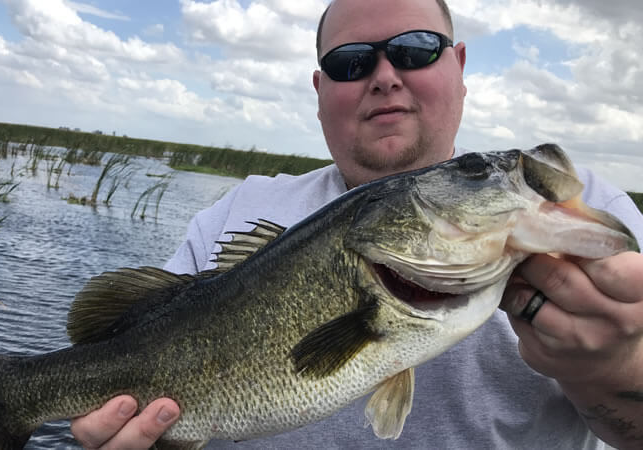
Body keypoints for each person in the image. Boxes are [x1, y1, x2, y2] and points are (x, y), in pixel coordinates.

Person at [71, 0, 643, 448]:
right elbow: (121, 345)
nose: (386, 75)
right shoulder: (237, 210)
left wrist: (615, 367)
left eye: (417, 49)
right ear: (321, 92)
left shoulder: (587, 209)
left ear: (460, 66)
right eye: (351, 62)